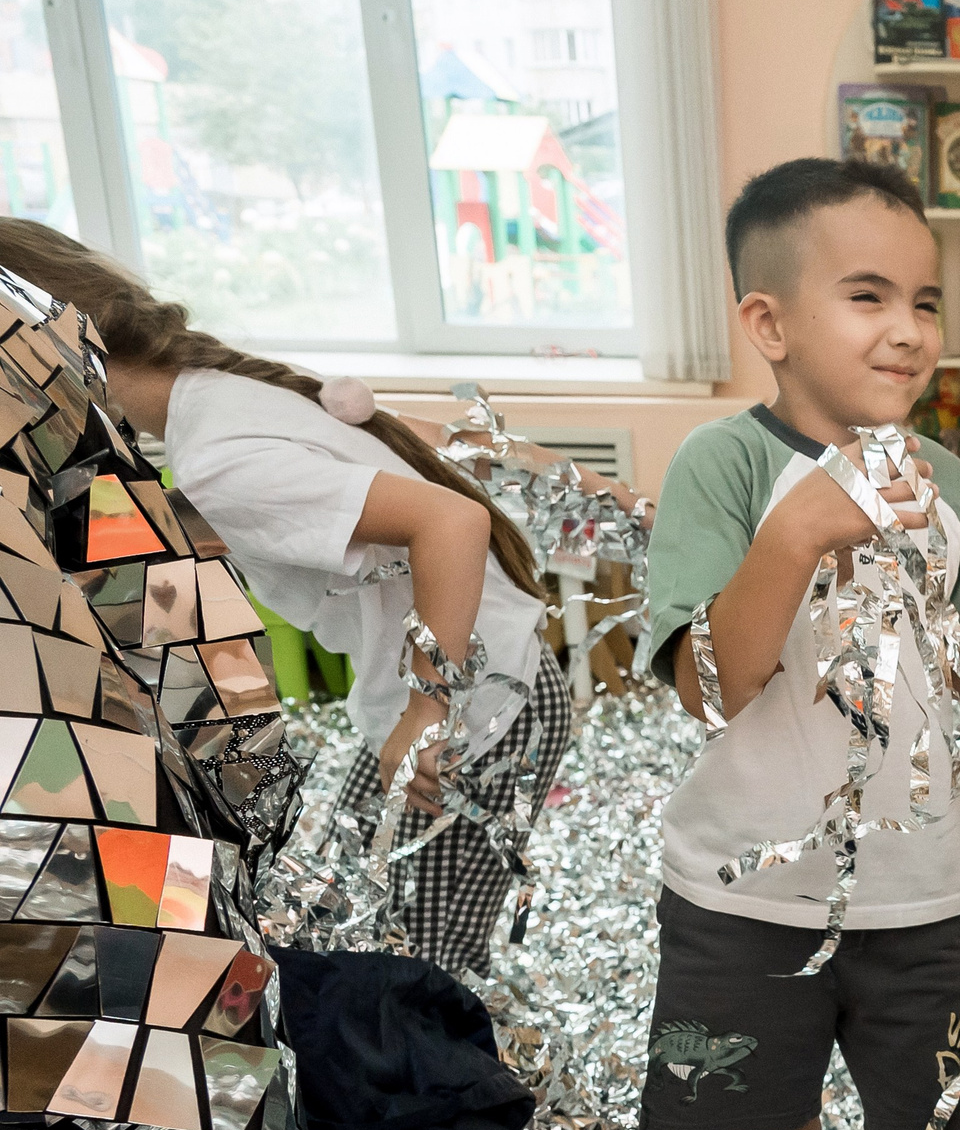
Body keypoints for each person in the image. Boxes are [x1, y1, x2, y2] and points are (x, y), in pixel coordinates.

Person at [635, 156, 960, 1130]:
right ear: (768, 323)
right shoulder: (723, 466)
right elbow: (706, 686)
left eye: (926, 302)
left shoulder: (941, 477)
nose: (910, 330)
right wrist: (794, 535)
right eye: (869, 296)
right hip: (745, 893)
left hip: (917, 886)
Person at [0, 221, 571, 978]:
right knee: (361, 923)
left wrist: (427, 711)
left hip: (483, 704)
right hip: (469, 683)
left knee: (419, 970)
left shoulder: (216, 459)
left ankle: (457, 1084)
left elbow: (453, 522)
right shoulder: (215, 395)